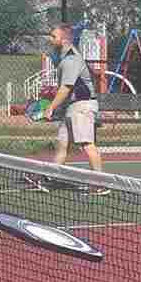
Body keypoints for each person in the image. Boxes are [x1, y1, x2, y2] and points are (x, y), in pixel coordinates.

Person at [41, 21, 109, 191]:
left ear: (64, 40)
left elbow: (66, 88)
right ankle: (52, 178)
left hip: (82, 107)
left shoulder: (71, 59)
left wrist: (51, 107)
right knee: (62, 145)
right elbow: (65, 90)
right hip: (72, 107)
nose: (50, 39)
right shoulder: (64, 58)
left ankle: (100, 184)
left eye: (53, 36)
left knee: (87, 144)